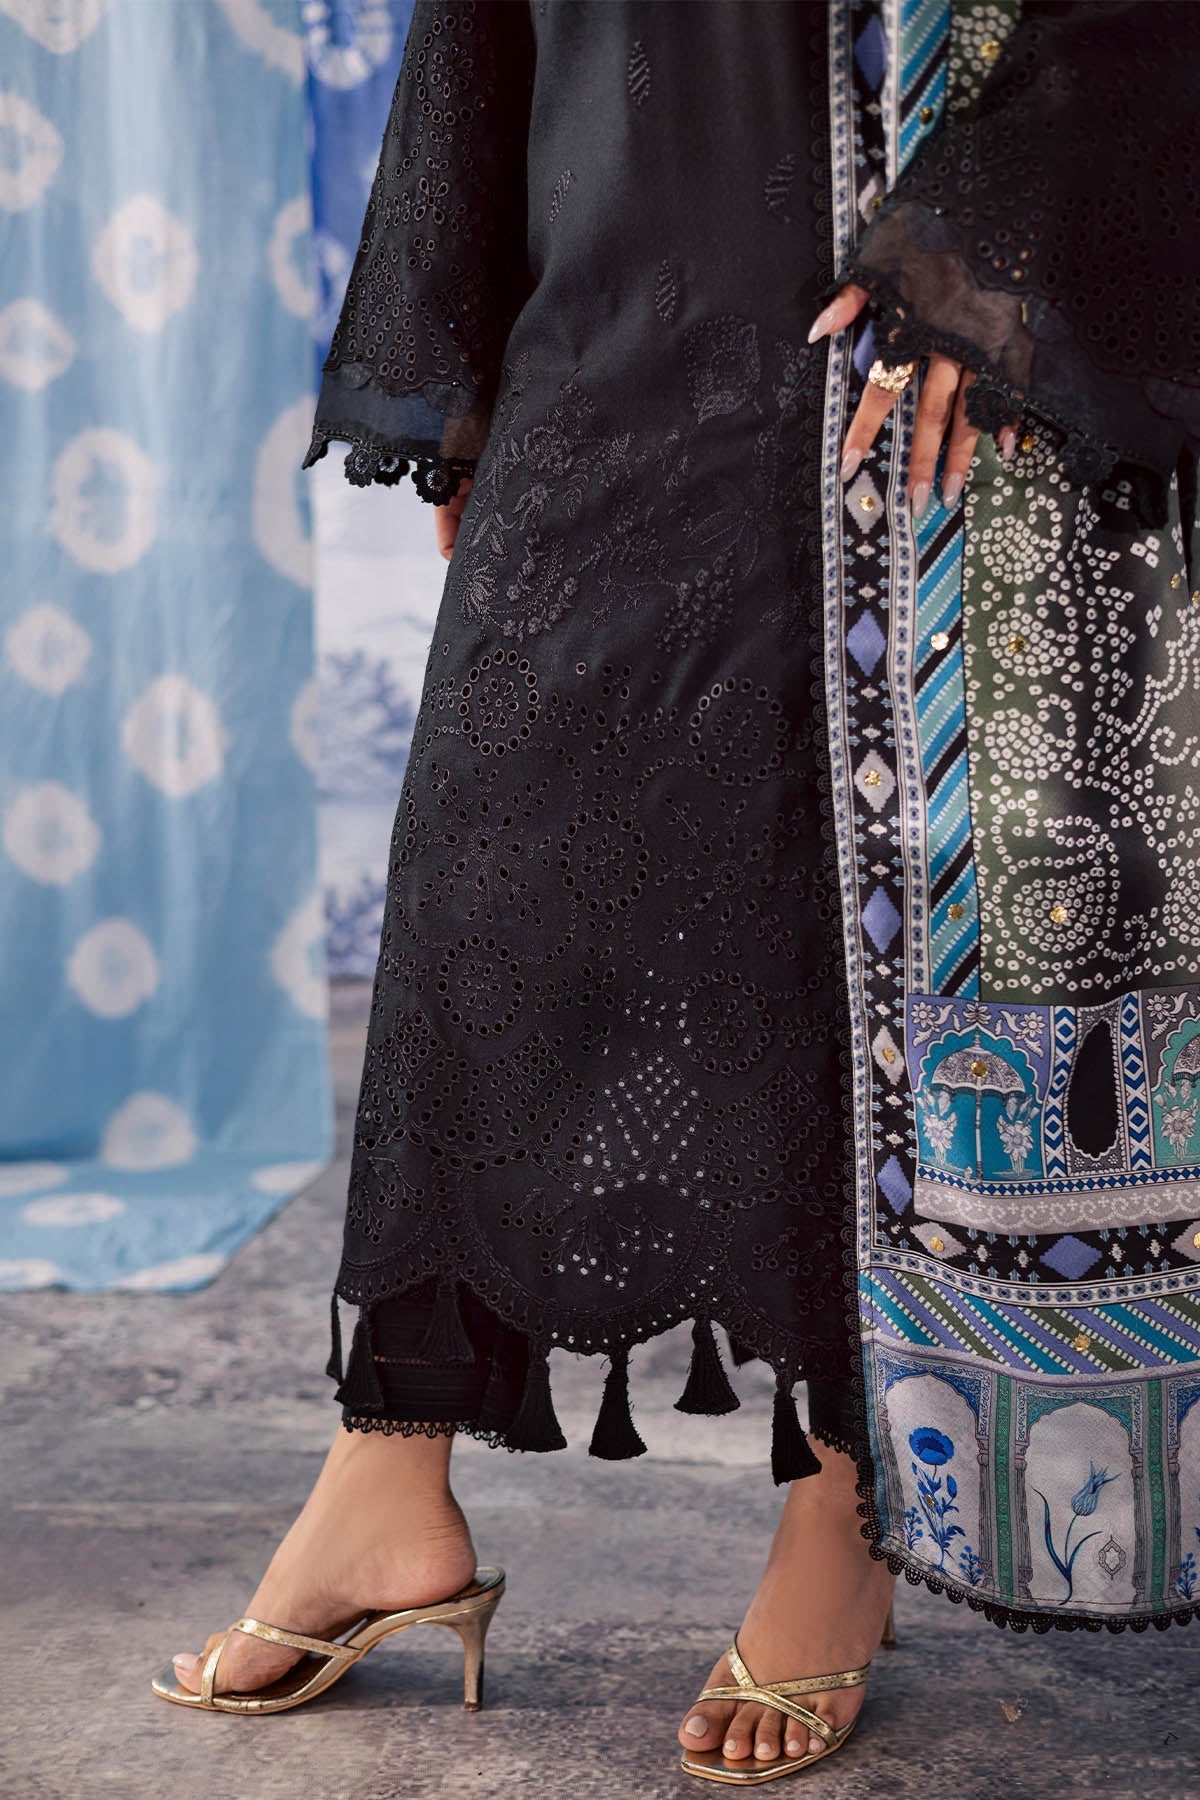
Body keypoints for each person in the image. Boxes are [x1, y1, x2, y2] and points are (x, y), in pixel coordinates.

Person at [154, 1, 1200, 1782]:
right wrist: (454, 335)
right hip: (613, 250)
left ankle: (846, 1505)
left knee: (854, 917)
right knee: (495, 853)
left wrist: (996, 227)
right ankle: (387, 1474)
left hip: (900, 291)